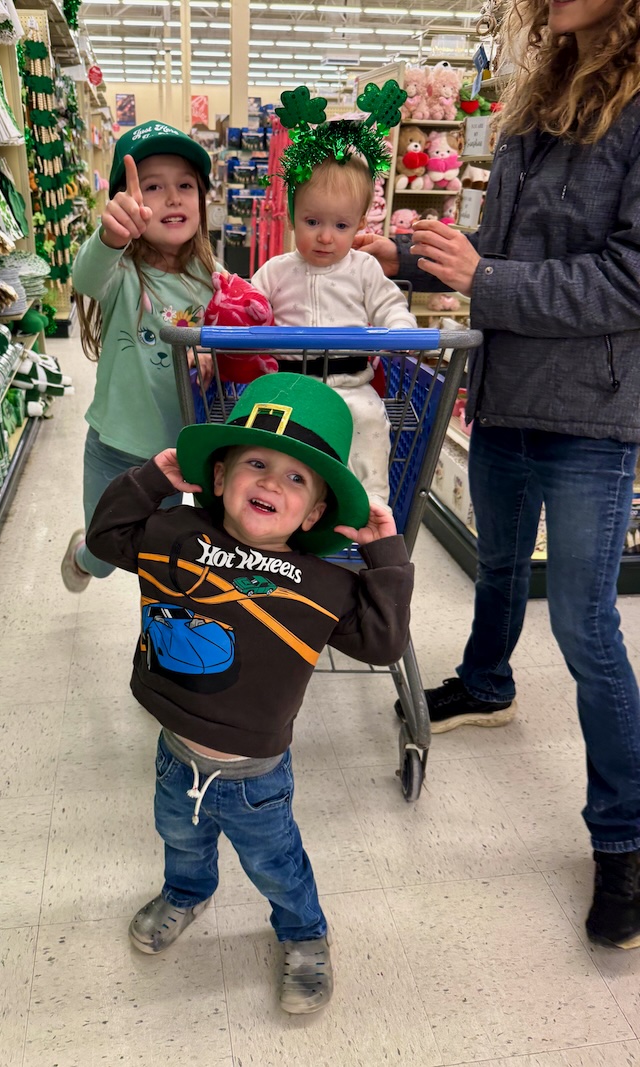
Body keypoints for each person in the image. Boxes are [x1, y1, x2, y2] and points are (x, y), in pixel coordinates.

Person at [358, 0, 640, 949]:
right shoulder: (534, 99)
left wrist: (486, 279)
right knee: (499, 562)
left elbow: (629, 280)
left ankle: (626, 837)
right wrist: (410, 257)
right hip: (509, 383)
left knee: (586, 620)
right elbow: (502, 254)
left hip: (595, 407)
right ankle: (486, 681)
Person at [86, 372, 414, 1013]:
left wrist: (386, 557)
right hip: (174, 751)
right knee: (178, 835)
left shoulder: (322, 585)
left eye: (297, 478)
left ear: (318, 512)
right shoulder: (171, 537)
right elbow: (104, 538)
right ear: (216, 477)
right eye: (256, 463)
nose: (270, 482)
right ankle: (186, 892)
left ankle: (303, 932)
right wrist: (153, 478)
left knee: (276, 865)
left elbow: (381, 645)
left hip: (256, 777)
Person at [61, 121, 217, 593]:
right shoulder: (120, 271)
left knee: (156, 558)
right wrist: (111, 237)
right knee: (106, 552)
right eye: (152, 187)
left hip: (174, 457)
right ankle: (83, 555)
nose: (172, 198)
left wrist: (213, 356)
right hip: (114, 446)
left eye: (185, 186)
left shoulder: (214, 280)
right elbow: (86, 277)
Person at [252, 106, 418, 508]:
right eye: (312, 221)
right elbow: (248, 304)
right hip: (288, 385)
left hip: (352, 386)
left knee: (367, 426)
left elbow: (388, 302)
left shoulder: (363, 268)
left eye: (341, 226)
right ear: (292, 215)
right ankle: (283, 509)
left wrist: (401, 328)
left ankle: (370, 505)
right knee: (274, 446)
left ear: (360, 223)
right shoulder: (275, 270)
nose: (326, 237)